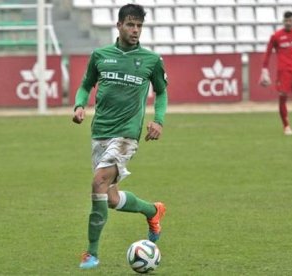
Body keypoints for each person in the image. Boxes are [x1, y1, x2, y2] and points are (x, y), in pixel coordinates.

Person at [72, 4, 168, 270]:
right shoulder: (100, 55)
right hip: (100, 131)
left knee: (97, 182)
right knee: (110, 198)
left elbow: (161, 93)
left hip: (127, 135)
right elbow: (85, 84)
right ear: (119, 26)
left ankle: (91, 253)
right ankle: (152, 210)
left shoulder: (151, 60)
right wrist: (79, 105)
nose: (135, 30)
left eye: (139, 26)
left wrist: (158, 121)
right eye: (130, 25)